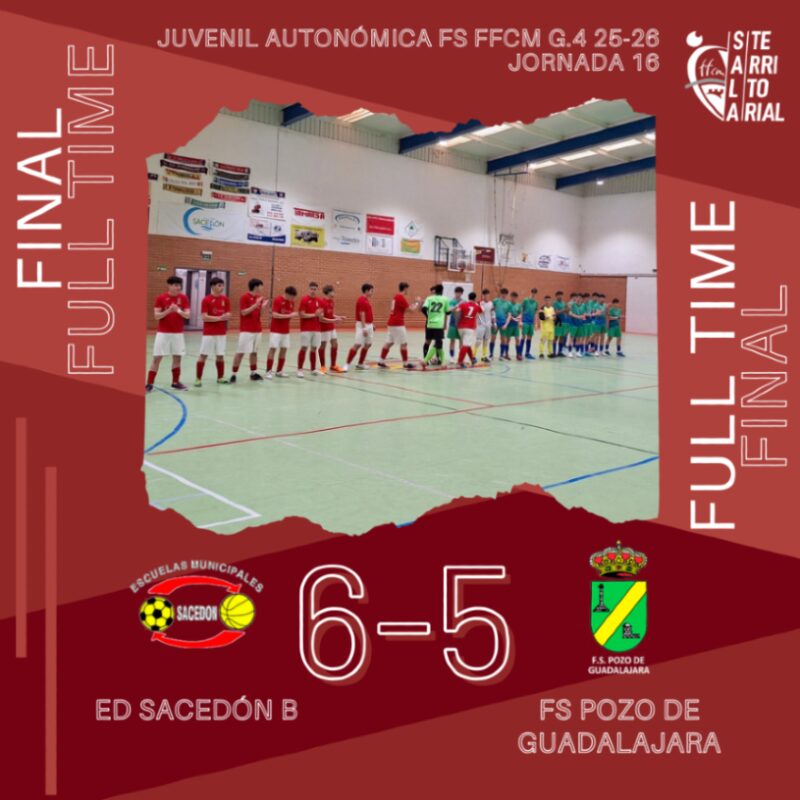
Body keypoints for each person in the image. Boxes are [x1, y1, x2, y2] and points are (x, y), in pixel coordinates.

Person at [146, 275, 190, 392]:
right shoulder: (161, 298)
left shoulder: (183, 298)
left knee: (177, 358)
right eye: (176, 285)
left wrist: (178, 310)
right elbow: (156, 316)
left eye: (179, 285)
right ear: (169, 285)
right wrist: (169, 310)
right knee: (157, 358)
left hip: (178, 334)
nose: (178, 287)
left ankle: (175, 382)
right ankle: (149, 384)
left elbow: (187, 315)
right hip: (163, 333)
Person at [194, 277, 232, 387]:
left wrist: (227, 316)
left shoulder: (225, 300)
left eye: (222, 285)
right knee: (203, 355)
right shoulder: (206, 300)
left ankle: (220, 377)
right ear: (213, 286)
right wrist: (220, 318)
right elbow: (204, 317)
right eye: (219, 285)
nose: (222, 287)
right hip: (209, 333)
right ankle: (198, 379)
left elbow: (228, 314)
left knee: (220, 355)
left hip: (221, 332)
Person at [230, 278, 265, 383]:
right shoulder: (244, 297)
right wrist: (255, 305)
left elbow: (259, 315)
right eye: (261, 286)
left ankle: (253, 373)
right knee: (240, 352)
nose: (262, 288)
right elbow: (244, 312)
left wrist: (262, 307)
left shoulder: (258, 298)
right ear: (256, 286)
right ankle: (234, 374)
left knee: (254, 352)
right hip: (246, 330)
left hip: (257, 329)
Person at [378, 281, 420, 369]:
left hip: (391, 323)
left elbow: (405, 309)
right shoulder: (401, 297)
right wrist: (417, 303)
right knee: (404, 343)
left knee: (389, 342)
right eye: (407, 289)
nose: (408, 291)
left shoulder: (396, 297)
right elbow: (411, 310)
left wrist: (412, 305)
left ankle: (381, 361)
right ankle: (405, 363)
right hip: (397, 324)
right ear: (405, 288)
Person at [265, 286, 298, 378]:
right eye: (292, 297)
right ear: (287, 294)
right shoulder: (278, 300)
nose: (293, 299)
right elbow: (275, 315)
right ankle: (268, 371)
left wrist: (292, 315)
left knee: (284, 349)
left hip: (285, 330)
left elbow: (289, 315)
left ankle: (279, 371)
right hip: (276, 330)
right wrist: (289, 315)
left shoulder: (291, 302)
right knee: (273, 349)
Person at [344, 283, 375, 371]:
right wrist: (364, 327)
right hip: (362, 325)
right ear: (366, 291)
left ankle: (360, 363)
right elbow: (362, 314)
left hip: (369, 325)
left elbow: (368, 313)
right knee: (357, 344)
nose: (372, 292)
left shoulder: (367, 300)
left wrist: (372, 324)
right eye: (371, 291)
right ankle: (346, 364)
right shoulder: (361, 300)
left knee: (368, 344)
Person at [297, 281, 324, 378]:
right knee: (304, 347)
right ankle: (300, 369)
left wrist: (321, 315)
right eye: (311, 289)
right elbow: (301, 314)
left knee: (314, 348)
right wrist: (314, 314)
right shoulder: (304, 300)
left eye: (315, 289)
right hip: (306, 329)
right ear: (309, 289)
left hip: (317, 329)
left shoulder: (319, 301)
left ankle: (313, 369)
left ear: (317, 290)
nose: (313, 291)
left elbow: (320, 316)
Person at [421, 284, 450, 367]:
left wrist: (428, 316)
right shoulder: (445, 299)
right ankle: (426, 360)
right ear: (442, 291)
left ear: (435, 291)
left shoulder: (429, 298)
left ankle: (437, 360)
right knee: (437, 342)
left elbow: (423, 309)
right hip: (438, 324)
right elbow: (448, 312)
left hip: (430, 323)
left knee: (435, 342)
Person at [318, 284, 345, 373]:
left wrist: (338, 317)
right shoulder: (322, 303)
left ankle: (333, 365)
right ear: (328, 292)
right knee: (323, 345)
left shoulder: (331, 301)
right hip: (324, 328)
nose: (334, 293)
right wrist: (334, 320)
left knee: (335, 344)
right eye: (333, 292)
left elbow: (330, 314)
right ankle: (322, 366)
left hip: (331, 327)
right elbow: (321, 319)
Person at [455, 291, 482, 367]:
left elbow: (457, 311)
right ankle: (460, 362)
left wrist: (458, 321)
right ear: (475, 298)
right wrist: (478, 303)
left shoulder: (463, 304)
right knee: (466, 344)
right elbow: (481, 311)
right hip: (469, 328)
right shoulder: (476, 306)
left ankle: (472, 359)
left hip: (460, 327)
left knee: (467, 343)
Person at [491, 288, 511, 360]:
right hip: (495, 323)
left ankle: (501, 355)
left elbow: (509, 315)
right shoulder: (495, 301)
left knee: (503, 339)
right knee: (493, 338)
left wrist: (506, 324)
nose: (504, 295)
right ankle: (491, 354)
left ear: (507, 294)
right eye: (502, 293)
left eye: (505, 294)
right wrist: (493, 321)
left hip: (503, 323)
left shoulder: (508, 304)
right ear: (500, 293)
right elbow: (492, 310)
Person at [503, 291, 523, 360]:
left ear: (516, 298)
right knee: (508, 340)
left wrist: (519, 320)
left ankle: (518, 354)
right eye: (512, 297)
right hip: (509, 325)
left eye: (514, 297)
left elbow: (520, 314)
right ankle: (506, 354)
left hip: (516, 326)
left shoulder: (518, 305)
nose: (513, 298)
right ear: (510, 297)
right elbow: (507, 314)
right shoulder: (508, 305)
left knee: (517, 339)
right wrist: (510, 318)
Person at [476, 288, 494, 363]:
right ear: (483, 295)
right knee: (478, 341)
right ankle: (473, 356)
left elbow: (492, 313)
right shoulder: (479, 303)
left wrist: (494, 322)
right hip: (481, 324)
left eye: (487, 295)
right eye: (485, 295)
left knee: (486, 341)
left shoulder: (491, 303)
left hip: (488, 324)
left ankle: (484, 356)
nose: (486, 296)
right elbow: (476, 312)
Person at [446, 286, 464, 361]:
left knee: (461, 341)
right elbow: (449, 310)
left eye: (459, 293)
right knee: (452, 341)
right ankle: (452, 357)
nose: (458, 294)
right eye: (457, 292)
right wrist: (456, 306)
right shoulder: (451, 301)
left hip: (461, 324)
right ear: (455, 293)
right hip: (453, 324)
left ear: (462, 293)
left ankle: (460, 357)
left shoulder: (464, 302)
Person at [521, 288, 539, 360]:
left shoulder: (536, 302)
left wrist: (536, 323)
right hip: (525, 321)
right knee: (523, 337)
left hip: (531, 323)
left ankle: (527, 353)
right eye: (533, 292)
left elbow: (536, 313)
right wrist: (521, 320)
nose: (533, 294)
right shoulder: (525, 300)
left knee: (529, 337)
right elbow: (522, 310)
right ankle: (519, 353)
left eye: (535, 293)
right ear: (530, 292)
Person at [553, 290, 568, 357]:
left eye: (561, 295)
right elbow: (556, 312)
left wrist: (568, 309)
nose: (560, 296)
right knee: (556, 337)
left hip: (564, 322)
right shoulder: (555, 303)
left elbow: (566, 312)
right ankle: (554, 352)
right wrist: (564, 309)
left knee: (562, 337)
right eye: (559, 295)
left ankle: (560, 352)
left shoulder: (564, 303)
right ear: (556, 296)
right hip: (558, 322)